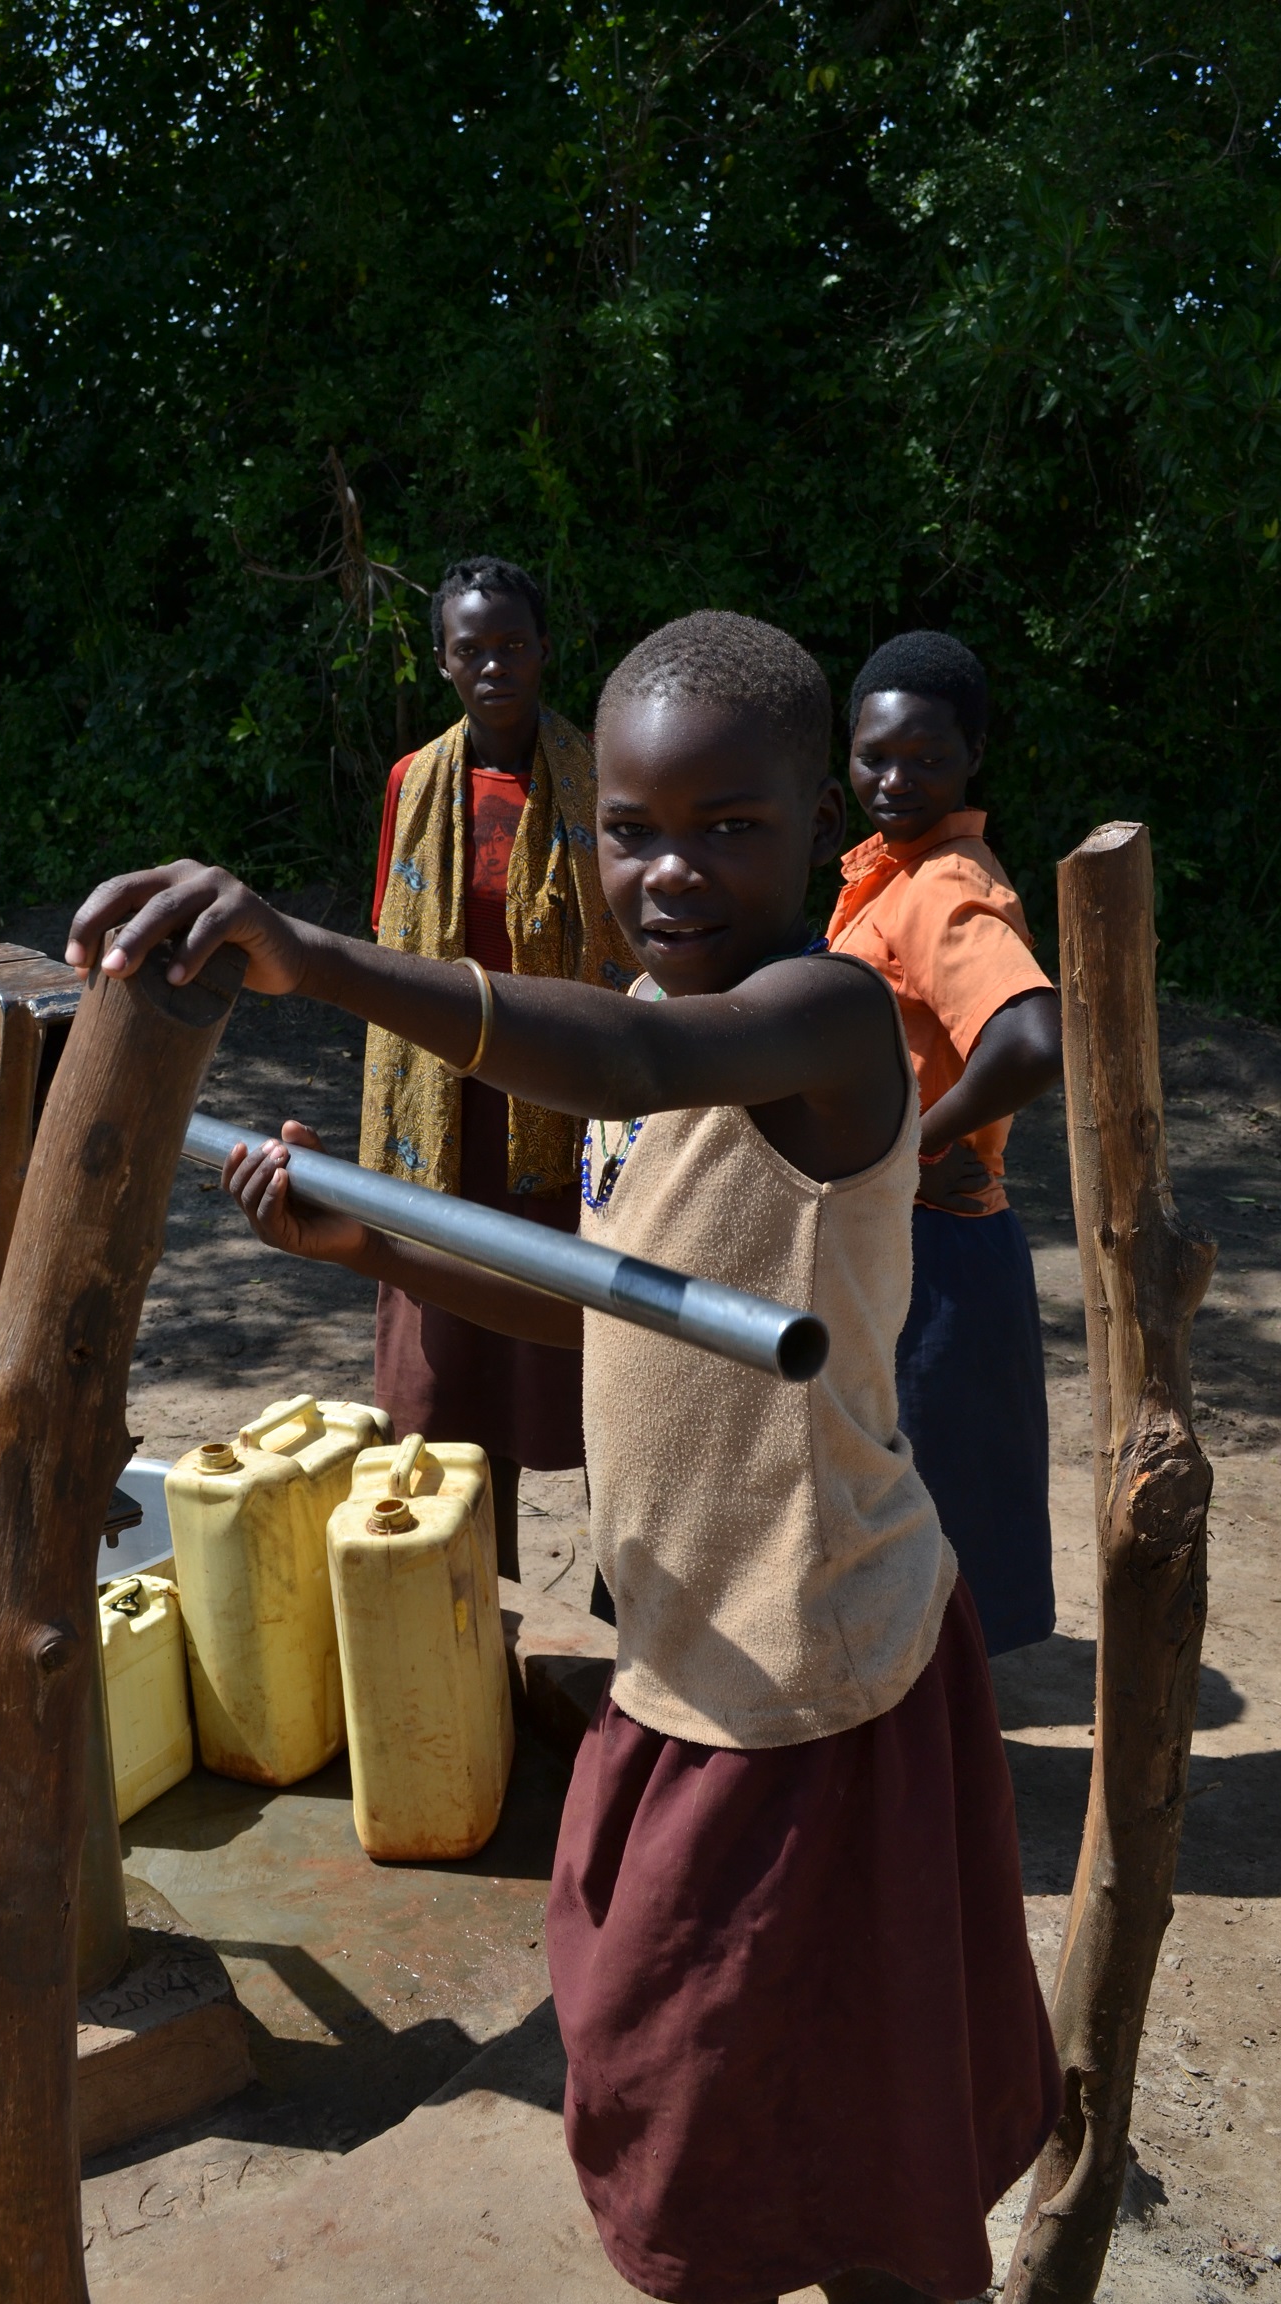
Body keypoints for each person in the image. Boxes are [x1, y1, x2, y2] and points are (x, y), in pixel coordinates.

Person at [67, 607, 1060, 2304]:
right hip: (676, 1653)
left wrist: (308, 952)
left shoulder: (817, 1017)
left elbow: (637, 1053)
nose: (672, 869)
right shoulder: (629, 1029)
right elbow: (604, 1309)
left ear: (821, 825)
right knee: (700, 2078)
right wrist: (364, 1246)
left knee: (825, 2109)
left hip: (818, 1665)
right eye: (632, 828)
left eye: (729, 826)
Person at [365, 554, 633, 1581]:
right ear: (442, 662)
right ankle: (486, 1605)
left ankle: (621, 1621)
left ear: (544, 651)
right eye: (470, 649)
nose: (493, 666)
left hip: (566, 1117)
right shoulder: (415, 783)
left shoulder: (598, 773)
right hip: (444, 1123)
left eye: (511, 645)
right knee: (456, 1394)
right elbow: (390, 943)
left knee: (592, 1378)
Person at [828, 631, 1061, 1656]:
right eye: (875, 755)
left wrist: (915, 1144)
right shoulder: (894, 872)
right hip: (910, 1241)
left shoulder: (942, 889)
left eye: (926, 759)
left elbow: (1028, 1038)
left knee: (928, 1521)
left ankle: (942, 1789)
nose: (894, 779)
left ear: (972, 757)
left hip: (934, 1251)